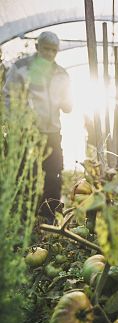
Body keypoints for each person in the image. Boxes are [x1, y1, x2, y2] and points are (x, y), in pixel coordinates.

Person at [3, 31, 72, 223]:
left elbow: (68, 104)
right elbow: (9, 96)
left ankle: (49, 218)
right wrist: (18, 121)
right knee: (28, 175)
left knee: (54, 174)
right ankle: (25, 219)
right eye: (46, 49)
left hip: (52, 133)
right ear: (37, 47)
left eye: (54, 50)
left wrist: (67, 103)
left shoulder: (61, 74)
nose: (50, 54)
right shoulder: (22, 68)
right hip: (27, 132)